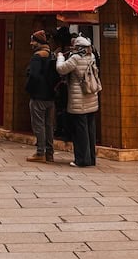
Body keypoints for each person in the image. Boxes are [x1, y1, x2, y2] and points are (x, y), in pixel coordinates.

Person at [56, 35, 100, 168]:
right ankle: (91, 158)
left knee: (80, 131)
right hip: (91, 98)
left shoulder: (75, 58)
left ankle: (81, 159)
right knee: (90, 130)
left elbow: (61, 69)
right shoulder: (91, 57)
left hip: (78, 100)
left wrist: (60, 57)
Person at [25, 30, 56, 163]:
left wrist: (29, 89)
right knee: (49, 125)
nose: (31, 43)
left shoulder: (37, 56)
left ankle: (40, 152)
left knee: (39, 125)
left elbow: (34, 76)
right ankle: (50, 153)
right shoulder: (51, 54)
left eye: (33, 41)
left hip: (39, 96)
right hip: (51, 95)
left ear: (38, 42)